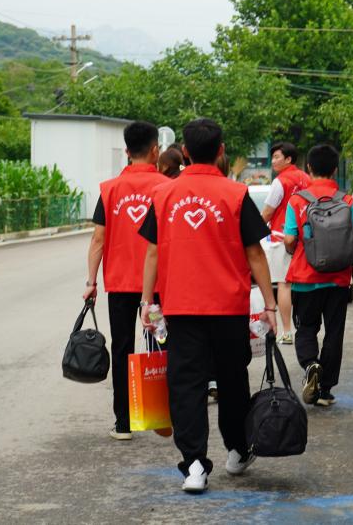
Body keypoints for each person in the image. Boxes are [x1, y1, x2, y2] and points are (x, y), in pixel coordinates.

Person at [138, 118, 278, 494]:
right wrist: (270, 304)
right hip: (228, 307)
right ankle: (237, 450)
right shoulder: (235, 194)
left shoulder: (164, 194)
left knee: (187, 384)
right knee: (232, 381)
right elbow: (255, 254)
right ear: (220, 150)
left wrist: (147, 301)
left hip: (181, 307)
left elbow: (152, 252)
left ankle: (195, 465)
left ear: (185, 151)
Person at [83, 120, 169, 441]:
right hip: (156, 288)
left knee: (122, 348)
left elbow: (98, 239)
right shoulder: (166, 187)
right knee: (161, 343)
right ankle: (161, 412)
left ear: (127, 152)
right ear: (155, 150)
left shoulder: (110, 190)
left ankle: (123, 423)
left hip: (119, 286)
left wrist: (91, 282)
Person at [283, 144, 353, 407]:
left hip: (305, 278)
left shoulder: (298, 200)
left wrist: (295, 248)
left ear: (309, 168)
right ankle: (325, 390)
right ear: (334, 169)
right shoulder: (346, 200)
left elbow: (290, 239)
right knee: (334, 332)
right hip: (338, 279)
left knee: (306, 327)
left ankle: (310, 364)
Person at [259, 142, 311, 345]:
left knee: (284, 284)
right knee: (303, 284)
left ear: (288, 159)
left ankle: (287, 332)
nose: (273, 161)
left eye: (277, 157)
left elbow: (268, 212)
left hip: (282, 238)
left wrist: (253, 229)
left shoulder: (280, 181)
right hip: (305, 238)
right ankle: (305, 328)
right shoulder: (306, 178)